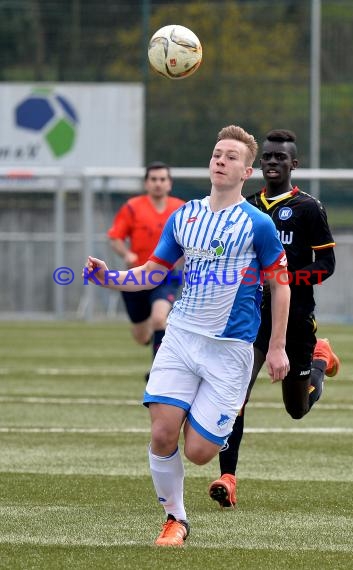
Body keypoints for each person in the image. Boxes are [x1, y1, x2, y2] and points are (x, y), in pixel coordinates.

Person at [83, 125, 291, 546]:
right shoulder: (185, 216)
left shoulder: (258, 224)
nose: (221, 160)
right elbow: (152, 273)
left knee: (198, 453)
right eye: (217, 153)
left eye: (232, 156)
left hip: (230, 350)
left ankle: (214, 417)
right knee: (161, 433)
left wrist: (276, 347)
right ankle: (175, 519)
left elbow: (281, 283)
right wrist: (110, 278)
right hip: (181, 338)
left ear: (247, 171)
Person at [208, 129, 340, 509]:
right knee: (235, 395)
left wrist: (285, 279)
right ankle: (228, 478)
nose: (272, 162)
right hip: (251, 323)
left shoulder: (308, 209)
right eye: (267, 156)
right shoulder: (246, 206)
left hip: (295, 320)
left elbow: (327, 263)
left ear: (293, 164)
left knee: (297, 409)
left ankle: (320, 358)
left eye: (280, 157)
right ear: (257, 164)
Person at [107, 162, 185, 379]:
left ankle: (158, 372)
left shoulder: (181, 208)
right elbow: (115, 238)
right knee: (141, 336)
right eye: (153, 179)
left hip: (167, 275)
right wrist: (126, 254)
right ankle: (152, 336)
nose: (158, 184)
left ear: (169, 184)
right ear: (146, 183)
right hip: (137, 276)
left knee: (160, 319)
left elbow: (192, 238)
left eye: (162, 179)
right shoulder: (132, 207)